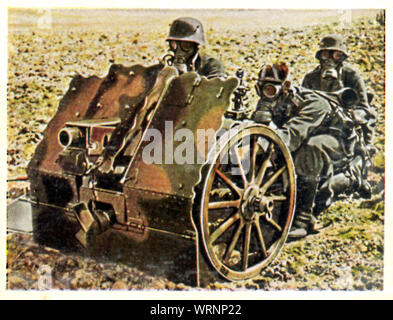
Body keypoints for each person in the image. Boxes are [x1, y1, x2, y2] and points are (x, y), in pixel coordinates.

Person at [253, 62, 363, 240]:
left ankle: (302, 220)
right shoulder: (272, 100)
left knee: (309, 149)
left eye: (272, 89)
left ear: (286, 87)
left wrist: (263, 142)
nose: (267, 94)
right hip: (305, 139)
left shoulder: (314, 104)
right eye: (264, 89)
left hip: (338, 145)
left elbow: (292, 136)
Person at [302, 34, 377, 199]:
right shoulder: (310, 79)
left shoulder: (351, 75)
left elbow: (365, 110)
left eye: (335, 55)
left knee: (315, 146)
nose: (330, 59)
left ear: (342, 57)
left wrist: (347, 113)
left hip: (343, 134)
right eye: (325, 54)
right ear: (319, 57)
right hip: (317, 128)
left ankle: (354, 177)